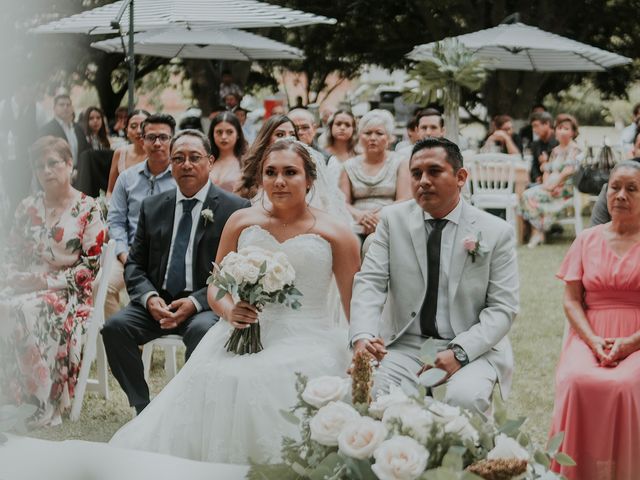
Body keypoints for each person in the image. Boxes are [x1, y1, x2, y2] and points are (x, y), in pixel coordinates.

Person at [109, 138, 361, 463]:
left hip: (309, 335)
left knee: (259, 379)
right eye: (270, 172)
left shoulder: (336, 233)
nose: (279, 181)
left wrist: (359, 348)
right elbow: (216, 287)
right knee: (223, 377)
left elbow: (354, 303)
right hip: (242, 330)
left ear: (309, 179)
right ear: (260, 178)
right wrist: (230, 309)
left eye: (290, 172)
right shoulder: (242, 221)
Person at [349, 136, 519, 414]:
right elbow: (370, 282)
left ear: (461, 176)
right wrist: (363, 338)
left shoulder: (495, 232)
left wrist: (459, 353)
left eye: (434, 171)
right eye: (416, 174)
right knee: (371, 394)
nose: (423, 181)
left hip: (470, 345)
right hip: (404, 344)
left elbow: (503, 309)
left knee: (465, 400)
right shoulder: (393, 220)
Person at [102, 129, 250, 415]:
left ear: (209, 161)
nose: (186, 165)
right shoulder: (153, 206)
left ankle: (189, 409)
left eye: (195, 158)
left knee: (202, 331)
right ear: (170, 165)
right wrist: (148, 298)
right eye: (178, 158)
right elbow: (134, 264)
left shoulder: (235, 209)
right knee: (115, 328)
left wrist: (195, 302)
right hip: (159, 303)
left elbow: (234, 272)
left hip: (205, 303)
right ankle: (143, 409)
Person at [0, 136, 106, 426]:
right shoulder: (26, 207)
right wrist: (13, 276)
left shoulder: (88, 208)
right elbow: (9, 253)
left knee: (29, 309)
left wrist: (45, 283)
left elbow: (90, 268)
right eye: (39, 166)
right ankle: (10, 397)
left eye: (52, 163)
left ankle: (43, 401)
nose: (45, 170)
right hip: (24, 285)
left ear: (69, 164)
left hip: (67, 292)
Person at [550, 161, 640, 479]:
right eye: (615, 187)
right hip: (591, 334)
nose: (621, 195)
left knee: (625, 386)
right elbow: (571, 299)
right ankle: (577, 472)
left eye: (632, 189)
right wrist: (592, 340)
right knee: (575, 381)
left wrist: (629, 343)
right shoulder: (587, 239)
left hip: (637, 337)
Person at [105, 114, 176, 321]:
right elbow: (116, 221)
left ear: (173, 140)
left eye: (163, 137)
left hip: (166, 260)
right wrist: (123, 253)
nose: (157, 143)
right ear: (142, 140)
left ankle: (138, 338)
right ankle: (126, 343)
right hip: (129, 255)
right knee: (103, 285)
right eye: (151, 137)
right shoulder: (127, 178)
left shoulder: (181, 179)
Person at [339, 109, 412, 236]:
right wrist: (360, 215)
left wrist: (381, 215)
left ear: (389, 138)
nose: (372, 138)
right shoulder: (348, 166)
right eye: (367, 133)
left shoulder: (401, 163)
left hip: (390, 222)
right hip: (355, 224)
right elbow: (342, 202)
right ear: (360, 137)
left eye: (379, 133)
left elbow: (405, 199)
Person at [519, 114, 581, 248]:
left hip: (564, 189)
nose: (562, 131)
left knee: (529, 195)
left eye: (566, 128)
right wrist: (546, 184)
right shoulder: (556, 150)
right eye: (559, 128)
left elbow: (568, 171)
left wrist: (553, 185)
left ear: (573, 132)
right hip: (550, 186)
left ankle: (538, 232)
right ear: (555, 130)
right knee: (526, 194)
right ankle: (538, 232)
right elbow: (548, 170)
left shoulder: (574, 149)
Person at [236, 114, 297, 199]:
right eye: (280, 134)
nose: (287, 139)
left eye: (292, 135)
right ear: (267, 139)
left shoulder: (302, 169)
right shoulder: (252, 172)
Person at [590, 139, 640, 226]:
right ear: (633, 150)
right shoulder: (610, 188)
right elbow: (595, 229)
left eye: (631, 189)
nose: (621, 196)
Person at [106, 109, 150, 195]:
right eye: (133, 126)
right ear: (127, 131)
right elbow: (110, 191)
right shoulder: (120, 153)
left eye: (143, 126)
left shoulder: (158, 155)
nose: (139, 131)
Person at [39, 94, 90, 166]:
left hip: (80, 172)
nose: (65, 107)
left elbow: (85, 151)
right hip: (59, 173)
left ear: (72, 108)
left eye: (68, 105)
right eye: (61, 105)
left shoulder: (78, 128)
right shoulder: (46, 130)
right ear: (54, 108)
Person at [206, 112, 247, 192]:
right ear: (212, 134)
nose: (224, 137)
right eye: (219, 132)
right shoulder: (205, 161)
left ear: (238, 134)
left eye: (229, 132)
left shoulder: (246, 162)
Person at [325, 109, 358, 185]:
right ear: (331, 127)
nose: (342, 128)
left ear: (353, 129)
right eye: (338, 124)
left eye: (347, 125)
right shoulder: (322, 155)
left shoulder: (358, 155)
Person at [528, 111, 558, 184]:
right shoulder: (535, 144)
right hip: (541, 182)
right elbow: (534, 165)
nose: (534, 130)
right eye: (533, 127)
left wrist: (546, 161)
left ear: (546, 124)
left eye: (536, 125)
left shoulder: (559, 142)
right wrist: (537, 177)